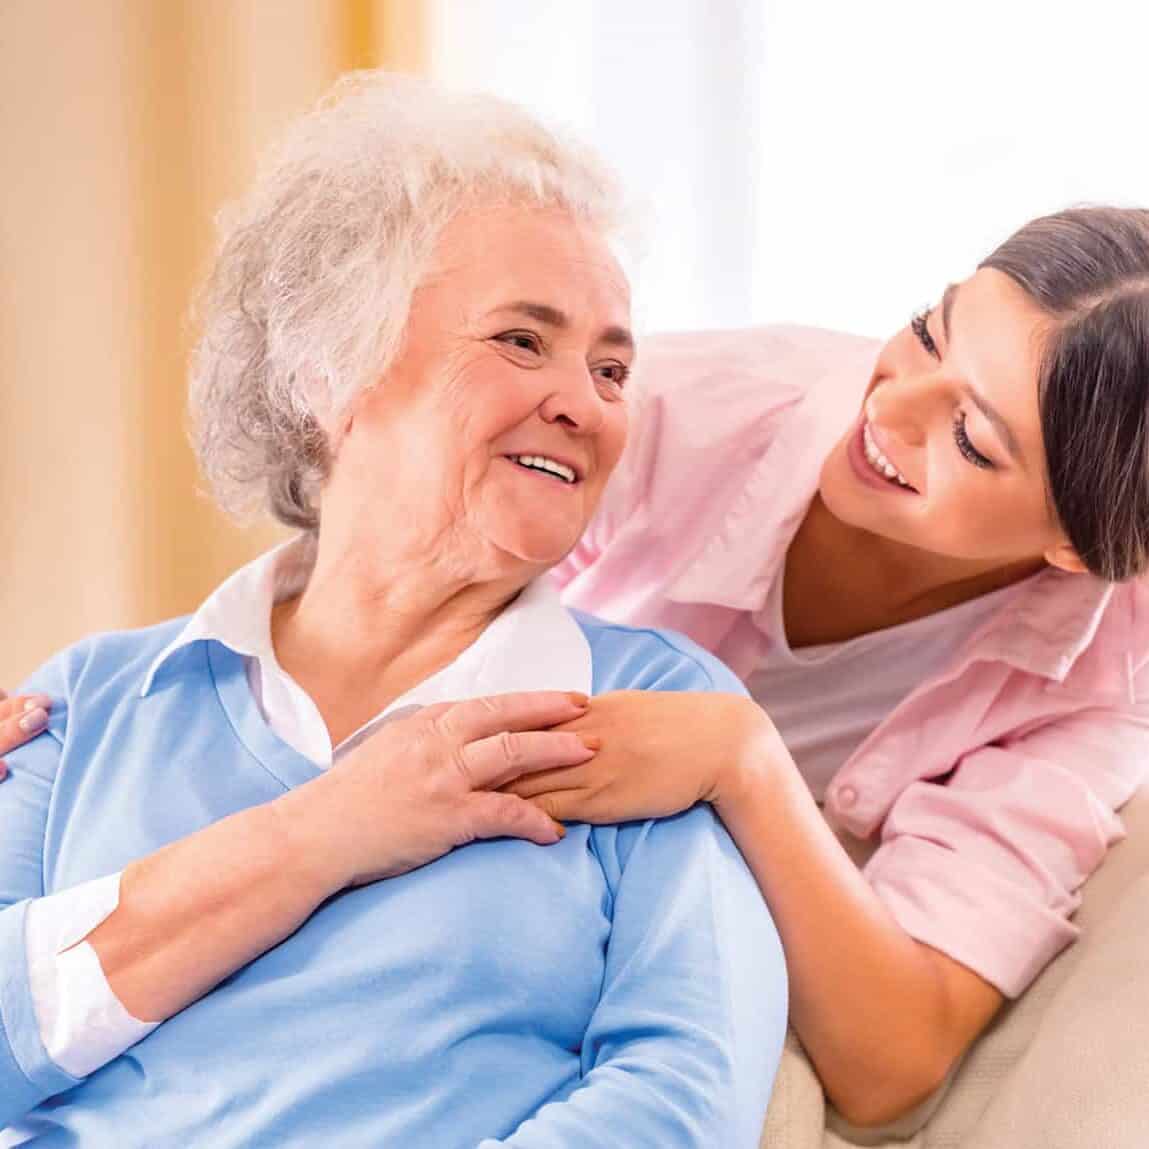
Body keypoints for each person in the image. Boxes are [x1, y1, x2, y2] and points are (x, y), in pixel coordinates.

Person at [0, 74, 785, 1147]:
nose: (586, 403)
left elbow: (681, 1100)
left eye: (612, 366)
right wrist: (325, 831)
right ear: (334, 368)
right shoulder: (88, 705)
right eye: (522, 339)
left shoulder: (651, 711)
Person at [505, 206, 1149, 1126]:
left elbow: (893, 1059)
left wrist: (743, 763)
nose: (887, 407)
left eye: (971, 437)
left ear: (1075, 548)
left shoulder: (1105, 677)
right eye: (930, 332)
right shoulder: (668, 410)